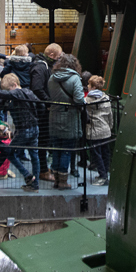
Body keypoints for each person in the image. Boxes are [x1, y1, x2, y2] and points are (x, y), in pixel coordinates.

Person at [0, 73, 41, 191]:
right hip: (34, 127)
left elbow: (7, 94)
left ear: (14, 85)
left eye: (9, 89)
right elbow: (40, 106)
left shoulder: (17, 93)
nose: (9, 93)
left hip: (24, 129)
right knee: (34, 156)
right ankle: (35, 184)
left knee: (9, 151)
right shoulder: (29, 93)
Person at [47, 53, 84, 190]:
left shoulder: (52, 78)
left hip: (54, 116)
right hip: (69, 119)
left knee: (56, 149)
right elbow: (79, 100)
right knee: (67, 150)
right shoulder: (75, 78)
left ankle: (56, 179)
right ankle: (63, 181)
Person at [31, 43, 61, 182]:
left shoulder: (44, 66)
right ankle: (42, 171)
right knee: (42, 141)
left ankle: (43, 168)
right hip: (42, 112)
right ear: (51, 55)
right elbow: (37, 88)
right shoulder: (40, 67)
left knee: (43, 141)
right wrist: (49, 102)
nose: (59, 59)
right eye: (59, 57)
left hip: (44, 109)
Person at [85, 76, 114, 186]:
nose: (87, 86)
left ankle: (102, 177)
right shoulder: (106, 98)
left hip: (94, 131)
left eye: (89, 85)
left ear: (93, 87)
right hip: (106, 130)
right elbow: (110, 115)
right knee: (105, 153)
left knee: (97, 155)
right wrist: (109, 128)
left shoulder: (88, 100)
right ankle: (105, 174)